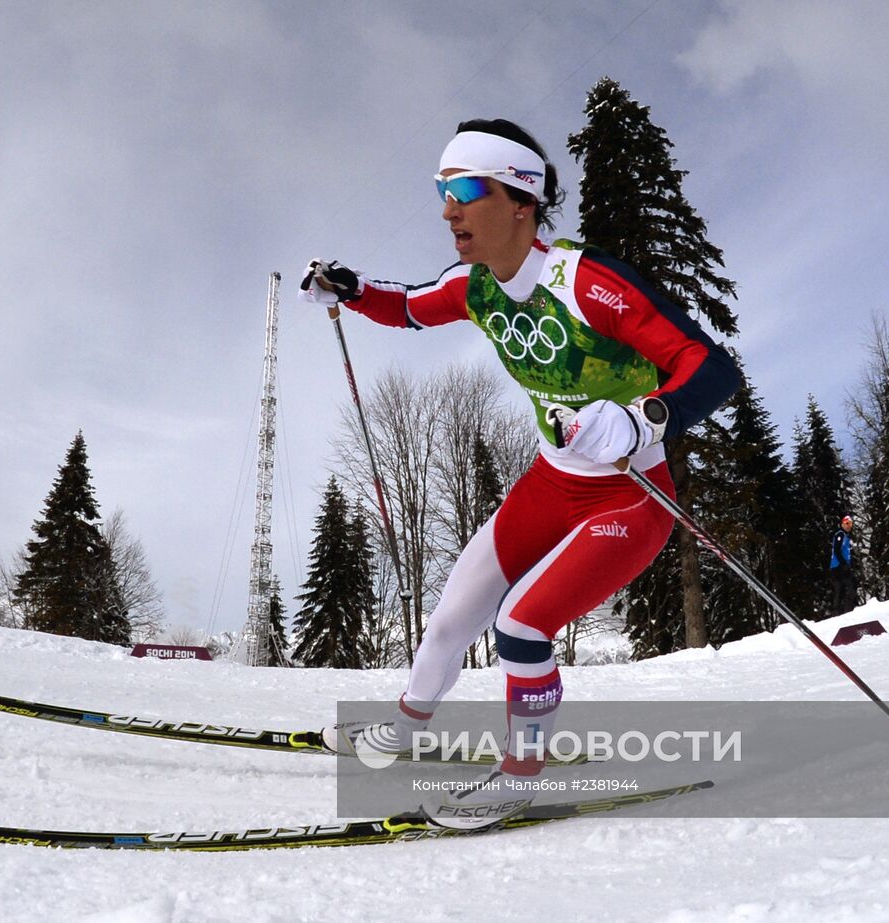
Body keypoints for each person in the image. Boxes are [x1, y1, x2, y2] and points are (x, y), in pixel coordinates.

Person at [301, 118, 740, 828]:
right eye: (443, 189)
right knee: (449, 619)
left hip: (630, 494)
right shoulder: (476, 287)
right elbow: (409, 307)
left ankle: (519, 775)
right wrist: (347, 289)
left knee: (521, 627)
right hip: (550, 483)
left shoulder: (587, 284)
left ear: (521, 200)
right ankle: (401, 734)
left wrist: (646, 418)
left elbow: (712, 367)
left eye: (467, 188)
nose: (449, 208)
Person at [830, 515, 857, 615]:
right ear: (842, 524)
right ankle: (846, 612)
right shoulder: (840, 535)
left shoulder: (845, 536)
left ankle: (840, 612)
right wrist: (843, 563)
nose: (849, 526)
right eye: (847, 523)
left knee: (840, 590)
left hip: (839, 566)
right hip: (839, 566)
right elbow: (837, 550)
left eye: (850, 524)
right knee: (848, 589)